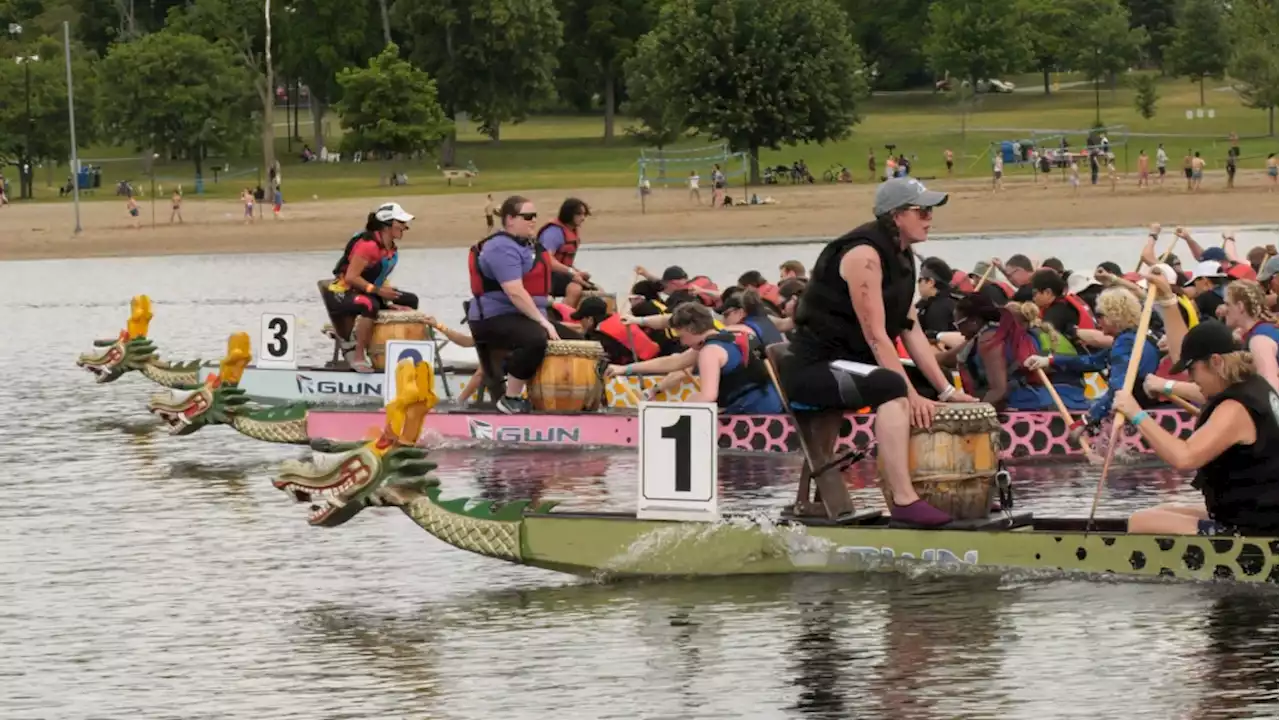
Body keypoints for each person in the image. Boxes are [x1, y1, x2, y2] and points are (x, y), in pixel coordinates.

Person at [778, 177, 978, 527]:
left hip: (851, 365)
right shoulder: (863, 255)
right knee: (893, 386)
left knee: (931, 384)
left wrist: (946, 392)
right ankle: (903, 500)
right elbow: (875, 336)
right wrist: (909, 394)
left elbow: (909, 326)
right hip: (815, 367)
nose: (930, 218)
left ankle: (944, 491)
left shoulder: (903, 257)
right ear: (897, 215)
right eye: (923, 211)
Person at [1120, 319, 1280, 536]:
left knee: (1140, 522)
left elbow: (1184, 457)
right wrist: (1165, 387)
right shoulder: (1257, 387)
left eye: (1192, 369)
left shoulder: (1234, 409)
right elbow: (1204, 395)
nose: (1190, 378)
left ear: (1215, 361)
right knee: (1164, 511)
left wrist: (1135, 414)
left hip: (1253, 529)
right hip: (1260, 513)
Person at [1025, 287, 1161, 441]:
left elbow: (1118, 390)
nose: (1097, 321)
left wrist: (1086, 421)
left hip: (1135, 413)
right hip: (1142, 404)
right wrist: (1049, 360)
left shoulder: (1125, 344)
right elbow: (1093, 362)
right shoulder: (1134, 337)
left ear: (1114, 316)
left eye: (1100, 315)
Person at [467, 195, 561, 414]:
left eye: (535, 216)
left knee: (576, 342)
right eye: (527, 216)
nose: (533, 221)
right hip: (492, 318)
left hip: (518, 315)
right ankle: (511, 398)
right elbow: (515, 291)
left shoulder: (526, 246)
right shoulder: (500, 247)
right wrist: (543, 322)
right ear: (510, 219)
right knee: (535, 338)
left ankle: (557, 400)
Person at [609, 303, 783, 414]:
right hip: (773, 405)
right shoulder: (735, 332)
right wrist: (626, 369)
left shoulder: (710, 351)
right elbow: (673, 362)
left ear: (691, 330)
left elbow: (708, 396)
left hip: (752, 413)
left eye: (682, 336)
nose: (682, 341)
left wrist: (676, 411)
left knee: (695, 398)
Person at [322, 202, 419, 372]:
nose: (405, 227)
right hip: (343, 293)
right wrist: (379, 292)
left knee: (410, 299)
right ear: (387, 225)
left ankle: (389, 350)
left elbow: (380, 279)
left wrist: (387, 302)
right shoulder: (368, 245)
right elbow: (351, 277)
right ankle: (359, 356)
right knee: (369, 304)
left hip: (368, 292)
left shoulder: (390, 247)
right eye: (401, 222)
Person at [1219, 280, 1280, 390]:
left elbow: (1270, 386)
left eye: (1227, 304)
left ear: (1240, 306)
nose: (1224, 310)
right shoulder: (1264, 330)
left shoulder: (1259, 340)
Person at [570, 296, 660, 366]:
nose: (580, 323)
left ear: (590, 319)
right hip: (654, 359)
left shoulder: (602, 335)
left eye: (581, 319)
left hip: (643, 368)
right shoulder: (618, 319)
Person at [537, 198, 592, 308]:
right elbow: (546, 259)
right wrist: (572, 272)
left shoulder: (572, 231)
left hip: (561, 274)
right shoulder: (553, 232)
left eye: (584, 214)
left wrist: (577, 272)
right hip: (546, 275)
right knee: (575, 288)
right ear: (568, 214)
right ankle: (564, 315)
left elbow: (565, 264)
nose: (583, 218)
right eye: (579, 214)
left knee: (596, 289)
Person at [720, 288, 785, 345]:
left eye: (726, 315)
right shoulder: (765, 320)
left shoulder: (742, 331)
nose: (722, 320)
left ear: (740, 312)